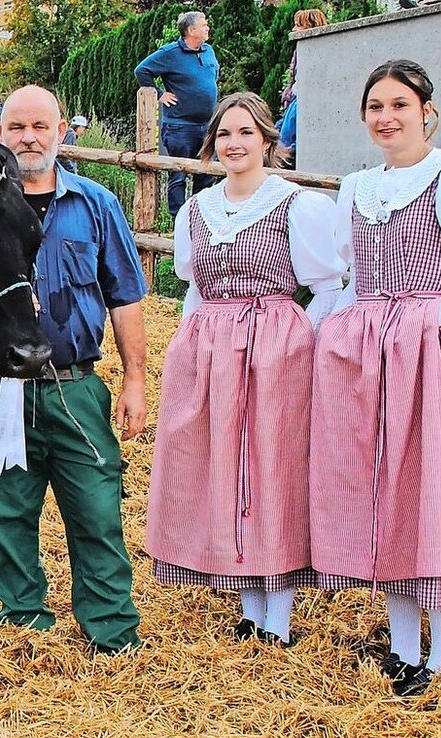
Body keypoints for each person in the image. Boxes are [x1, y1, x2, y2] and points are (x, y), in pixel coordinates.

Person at [311, 60, 441, 697]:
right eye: (376, 106)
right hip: (369, 363)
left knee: (437, 499)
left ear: (427, 111)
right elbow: (347, 279)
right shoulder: (357, 188)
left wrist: (429, 316)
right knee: (385, 500)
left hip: (431, 359)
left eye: (399, 106)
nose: (387, 118)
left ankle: (439, 659)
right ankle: (403, 649)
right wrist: (324, 336)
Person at [146, 93, 345, 647]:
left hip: (275, 352)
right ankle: (247, 605)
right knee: (222, 467)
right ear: (213, 143)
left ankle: (275, 616)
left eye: (246, 134)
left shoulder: (295, 205)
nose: (235, 144)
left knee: (268, 470)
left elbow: (329, 286)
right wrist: (186, 344)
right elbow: (193, 289)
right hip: (209, 350)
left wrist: (295, 336)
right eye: (226, 135)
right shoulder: (196, 211)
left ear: (266, 140)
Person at [0, 85, 147, 655]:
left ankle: (112, 633)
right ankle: (23, 621)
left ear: (62, 130)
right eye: (16, 126)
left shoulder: (95, 204)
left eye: (40, 126)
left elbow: (126, 295)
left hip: (76, 385)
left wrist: (135, 377)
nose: (28, 138)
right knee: (3, 508)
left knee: (96, 509)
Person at [135, 10, 220, 217]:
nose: (207, 27)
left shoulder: (208, 50)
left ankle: (201, 218)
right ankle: (179, 220)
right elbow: (142, 71)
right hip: (180, 126)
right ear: (191, 30)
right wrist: (160, 94)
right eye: (204, 24)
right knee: (178, 175)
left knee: (206, 174)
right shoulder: (170, 53)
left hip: (207, 126)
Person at [278, 8, 328, 169]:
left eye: (298, 25)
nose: (294, 30)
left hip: (302, 103)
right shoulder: (299, 52)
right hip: (294, 101)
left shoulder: (319, 54)